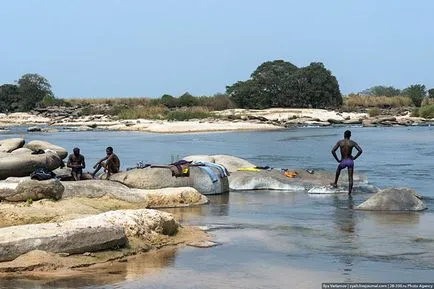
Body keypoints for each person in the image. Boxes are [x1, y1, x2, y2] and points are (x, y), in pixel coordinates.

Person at [330, 130, 363, 195]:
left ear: (344, 135)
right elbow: (360, 150)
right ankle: (349, 193)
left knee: (338, 170)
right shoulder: (352, 143)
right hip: (350, 161)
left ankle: (335, 183)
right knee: (350, 177)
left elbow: (333, 151)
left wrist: (337, 160)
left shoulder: (340, 142)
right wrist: (354, 158)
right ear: (350, 135)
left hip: (343, 161)